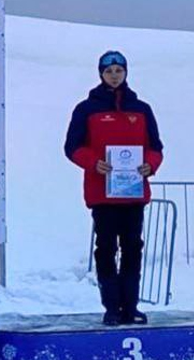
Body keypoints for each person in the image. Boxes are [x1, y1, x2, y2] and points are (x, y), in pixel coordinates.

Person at [64, 50, 164, 327]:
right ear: (101, 74)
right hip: (102, 194)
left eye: (119, 70)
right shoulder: (86, 109)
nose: (114, 75)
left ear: (126, 73)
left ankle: (130, 306)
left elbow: (156, 147)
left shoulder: (142, 109)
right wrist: (93, 162)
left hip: (133, 193)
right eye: (109, 71)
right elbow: (72, 147)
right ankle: (111, 307)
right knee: (105, 248)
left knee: (133, 248)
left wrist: (149, 165)